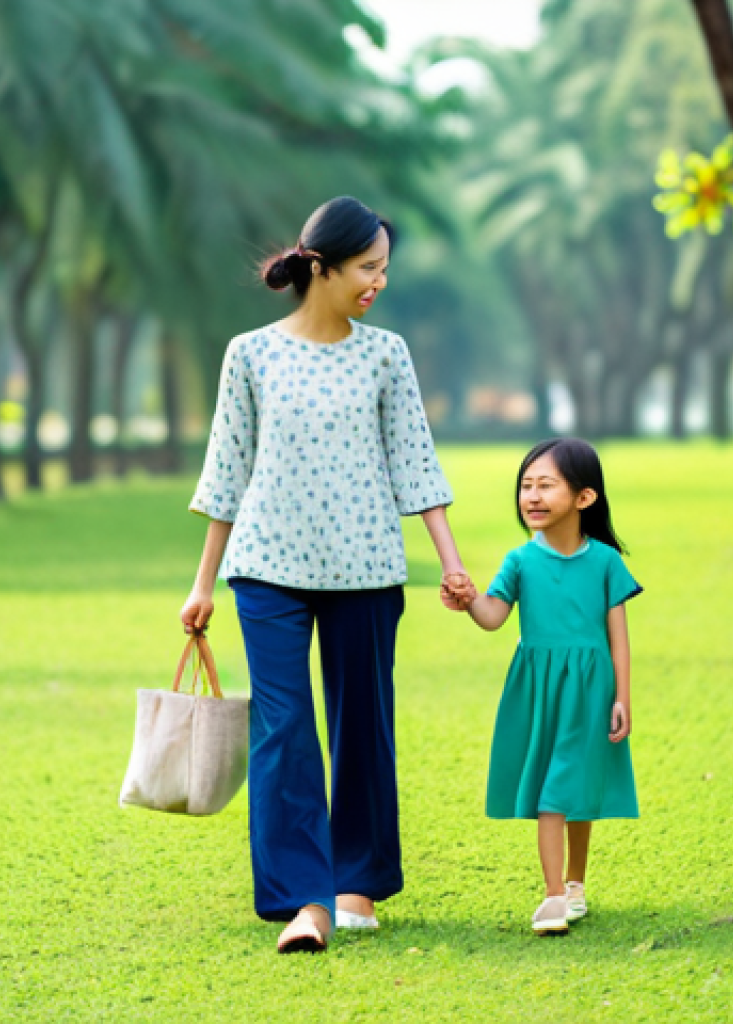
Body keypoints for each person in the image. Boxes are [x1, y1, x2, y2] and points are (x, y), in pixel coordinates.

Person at [180, 196, 469, 953]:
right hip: (267, 570)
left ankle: (357, 884)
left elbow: (415, 462)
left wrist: (451, 562)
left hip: (369, 568)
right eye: (368, 268)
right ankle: (303, 903)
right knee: (284, 729)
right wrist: (203, 582)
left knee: (362, 725)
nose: (378, 281)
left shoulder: (386, 354)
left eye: (384, 269)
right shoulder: (250, 354)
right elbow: (226, 472)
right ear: (323, 266)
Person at [443, 438, 641, 935]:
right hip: (538, 690)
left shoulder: (606, 562)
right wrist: (468, 599)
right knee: (554, 785)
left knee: (569, 786)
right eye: (525, 486)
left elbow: (618, 637)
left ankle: (568, 886)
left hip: (590, 691)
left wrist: (622, 697)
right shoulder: (519, 561)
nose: (531, 496)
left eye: (545, 485)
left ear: (584, 498)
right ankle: (559, 891)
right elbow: (492, 617)